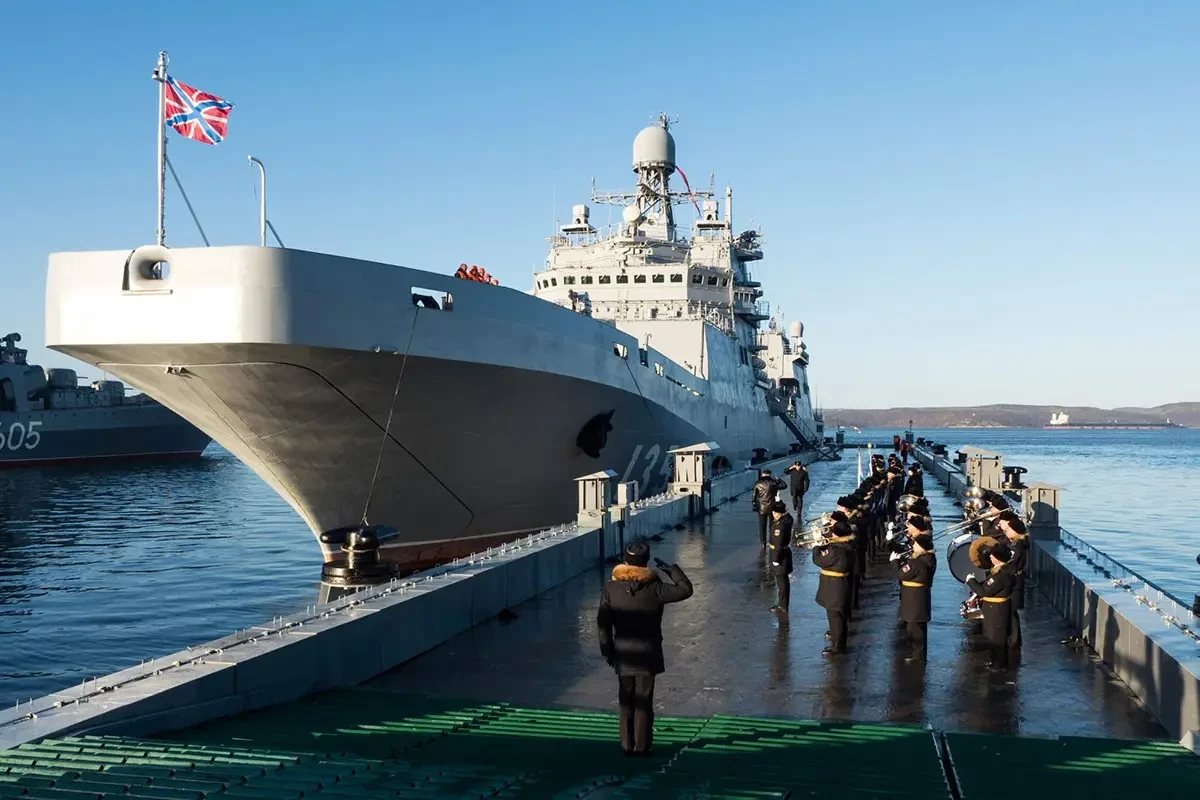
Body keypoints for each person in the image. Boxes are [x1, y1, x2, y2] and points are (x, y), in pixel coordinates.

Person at [597, 541, 694, 756]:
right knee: (644, 700)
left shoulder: (611, 588)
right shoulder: (655, 588)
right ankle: (642, 746)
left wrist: (608, 650)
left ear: (625, 561)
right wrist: (672, 570)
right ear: (647, 562)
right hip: (648, 654)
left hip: (623, 653)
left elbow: (603, 623)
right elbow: (686, 590)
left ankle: (626, 744)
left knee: (625, 699)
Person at [965, 543, 1015, 671]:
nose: (990, 557)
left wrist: (971, 581)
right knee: (993, 634)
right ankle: (996, 661)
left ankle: (999, 664)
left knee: (996, 636)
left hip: (996, 609)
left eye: (992, 555)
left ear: (998, 558)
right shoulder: (1001, 571)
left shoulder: (1001, 575)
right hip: (994, 607)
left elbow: (985, 591)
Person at [891, 523, 936, 662]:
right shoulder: (929, 558)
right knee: (919, 628)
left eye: (916, 544)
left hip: (913, 598)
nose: (914, 546)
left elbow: (901, 574)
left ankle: (917, 656)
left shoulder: (916, 563)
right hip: (921, 596)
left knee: (914, 628)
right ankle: (919, 654)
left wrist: (894, 562)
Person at [812, 521, 854, 655]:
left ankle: (837, 647)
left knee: (835, 619)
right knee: (839, 618)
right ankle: (840, 644)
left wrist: (816, 546)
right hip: (840, 585)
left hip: (834, 588)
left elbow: (820, 560)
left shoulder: (837, 550)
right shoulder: (846, 546)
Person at [998, 513, 1030, 649]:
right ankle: (1013, 640)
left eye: (1010, 529)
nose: (1007, 531)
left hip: (1015, 582)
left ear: (1016, 531)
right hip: (1016, 579)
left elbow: (1012, 565)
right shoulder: (1017, 544)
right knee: (1011, 612)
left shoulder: (1018, 547)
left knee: (1011, 612)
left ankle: (1013, 642)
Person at [767, 501, 794, 613]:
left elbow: (778, 543)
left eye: (776, 512)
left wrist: (775, 559)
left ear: (781, 513)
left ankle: (782, 606)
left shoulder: (781, 525)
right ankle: (782, 603)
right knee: (783, 582)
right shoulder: (786, 520)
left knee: (782, 583)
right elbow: (790, 517)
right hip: (784, 554)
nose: (773, 514)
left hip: (780, 556)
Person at [751, 469, 787, 548]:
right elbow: (784, 486)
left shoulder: (758, 483)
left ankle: (763, 542)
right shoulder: (773, 482)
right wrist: (779, 479)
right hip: (772, 507)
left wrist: (754, 504)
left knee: (762, 526)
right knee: (772, 525)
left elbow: (754, 495)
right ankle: (772, 540)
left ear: (763, 474)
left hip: (762, 507)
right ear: (770, 474)